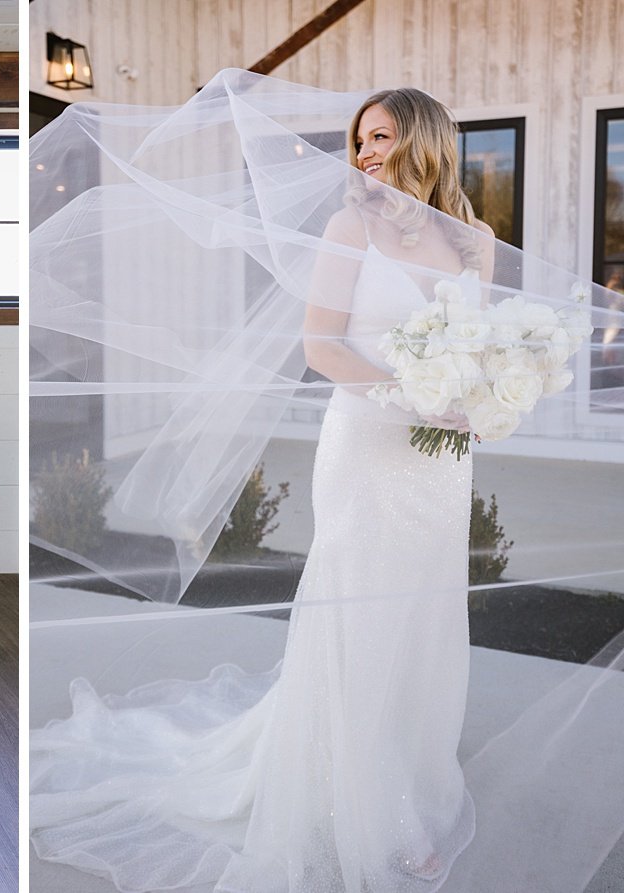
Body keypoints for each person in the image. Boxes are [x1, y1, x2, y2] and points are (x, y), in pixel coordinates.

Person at [29, 79, 541, 891]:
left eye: (381, 137)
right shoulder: (349, 226)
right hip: (369, 445)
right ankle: (375, 808)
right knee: (359, 619)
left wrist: (479, 397)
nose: (367, 152)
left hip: (439, 460)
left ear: (426, 141)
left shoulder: (472, 237)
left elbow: (478, 342)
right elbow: (324, 347)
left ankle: (412, 769)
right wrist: (413, 394)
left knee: (424, 616)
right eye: (361, 140)